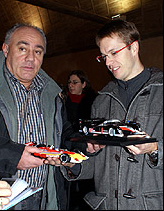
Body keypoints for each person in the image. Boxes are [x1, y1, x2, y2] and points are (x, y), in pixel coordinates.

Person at [59, 19, 163, 210]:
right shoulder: (101, 101)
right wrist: (72, 161)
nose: (108, 62)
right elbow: (98, 166)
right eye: (103, 56)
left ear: (134, 47)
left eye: (114, 53)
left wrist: (154, 149)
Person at [0, 23, 86, 210]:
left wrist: (84, 143)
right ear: (5, 49)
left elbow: (64, 135)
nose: (30, 58)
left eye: (38, 52)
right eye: (22, 49)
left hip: (46, 197)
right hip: (3, 199)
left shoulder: (53, 93)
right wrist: (12, 157)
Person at [64, 70, 97, 210]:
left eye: (75, 82)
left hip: (86, 148)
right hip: (67, 146)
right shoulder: (62, 101)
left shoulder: (94, 101)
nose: (71, 85)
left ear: (84, 84)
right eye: (69, 82)